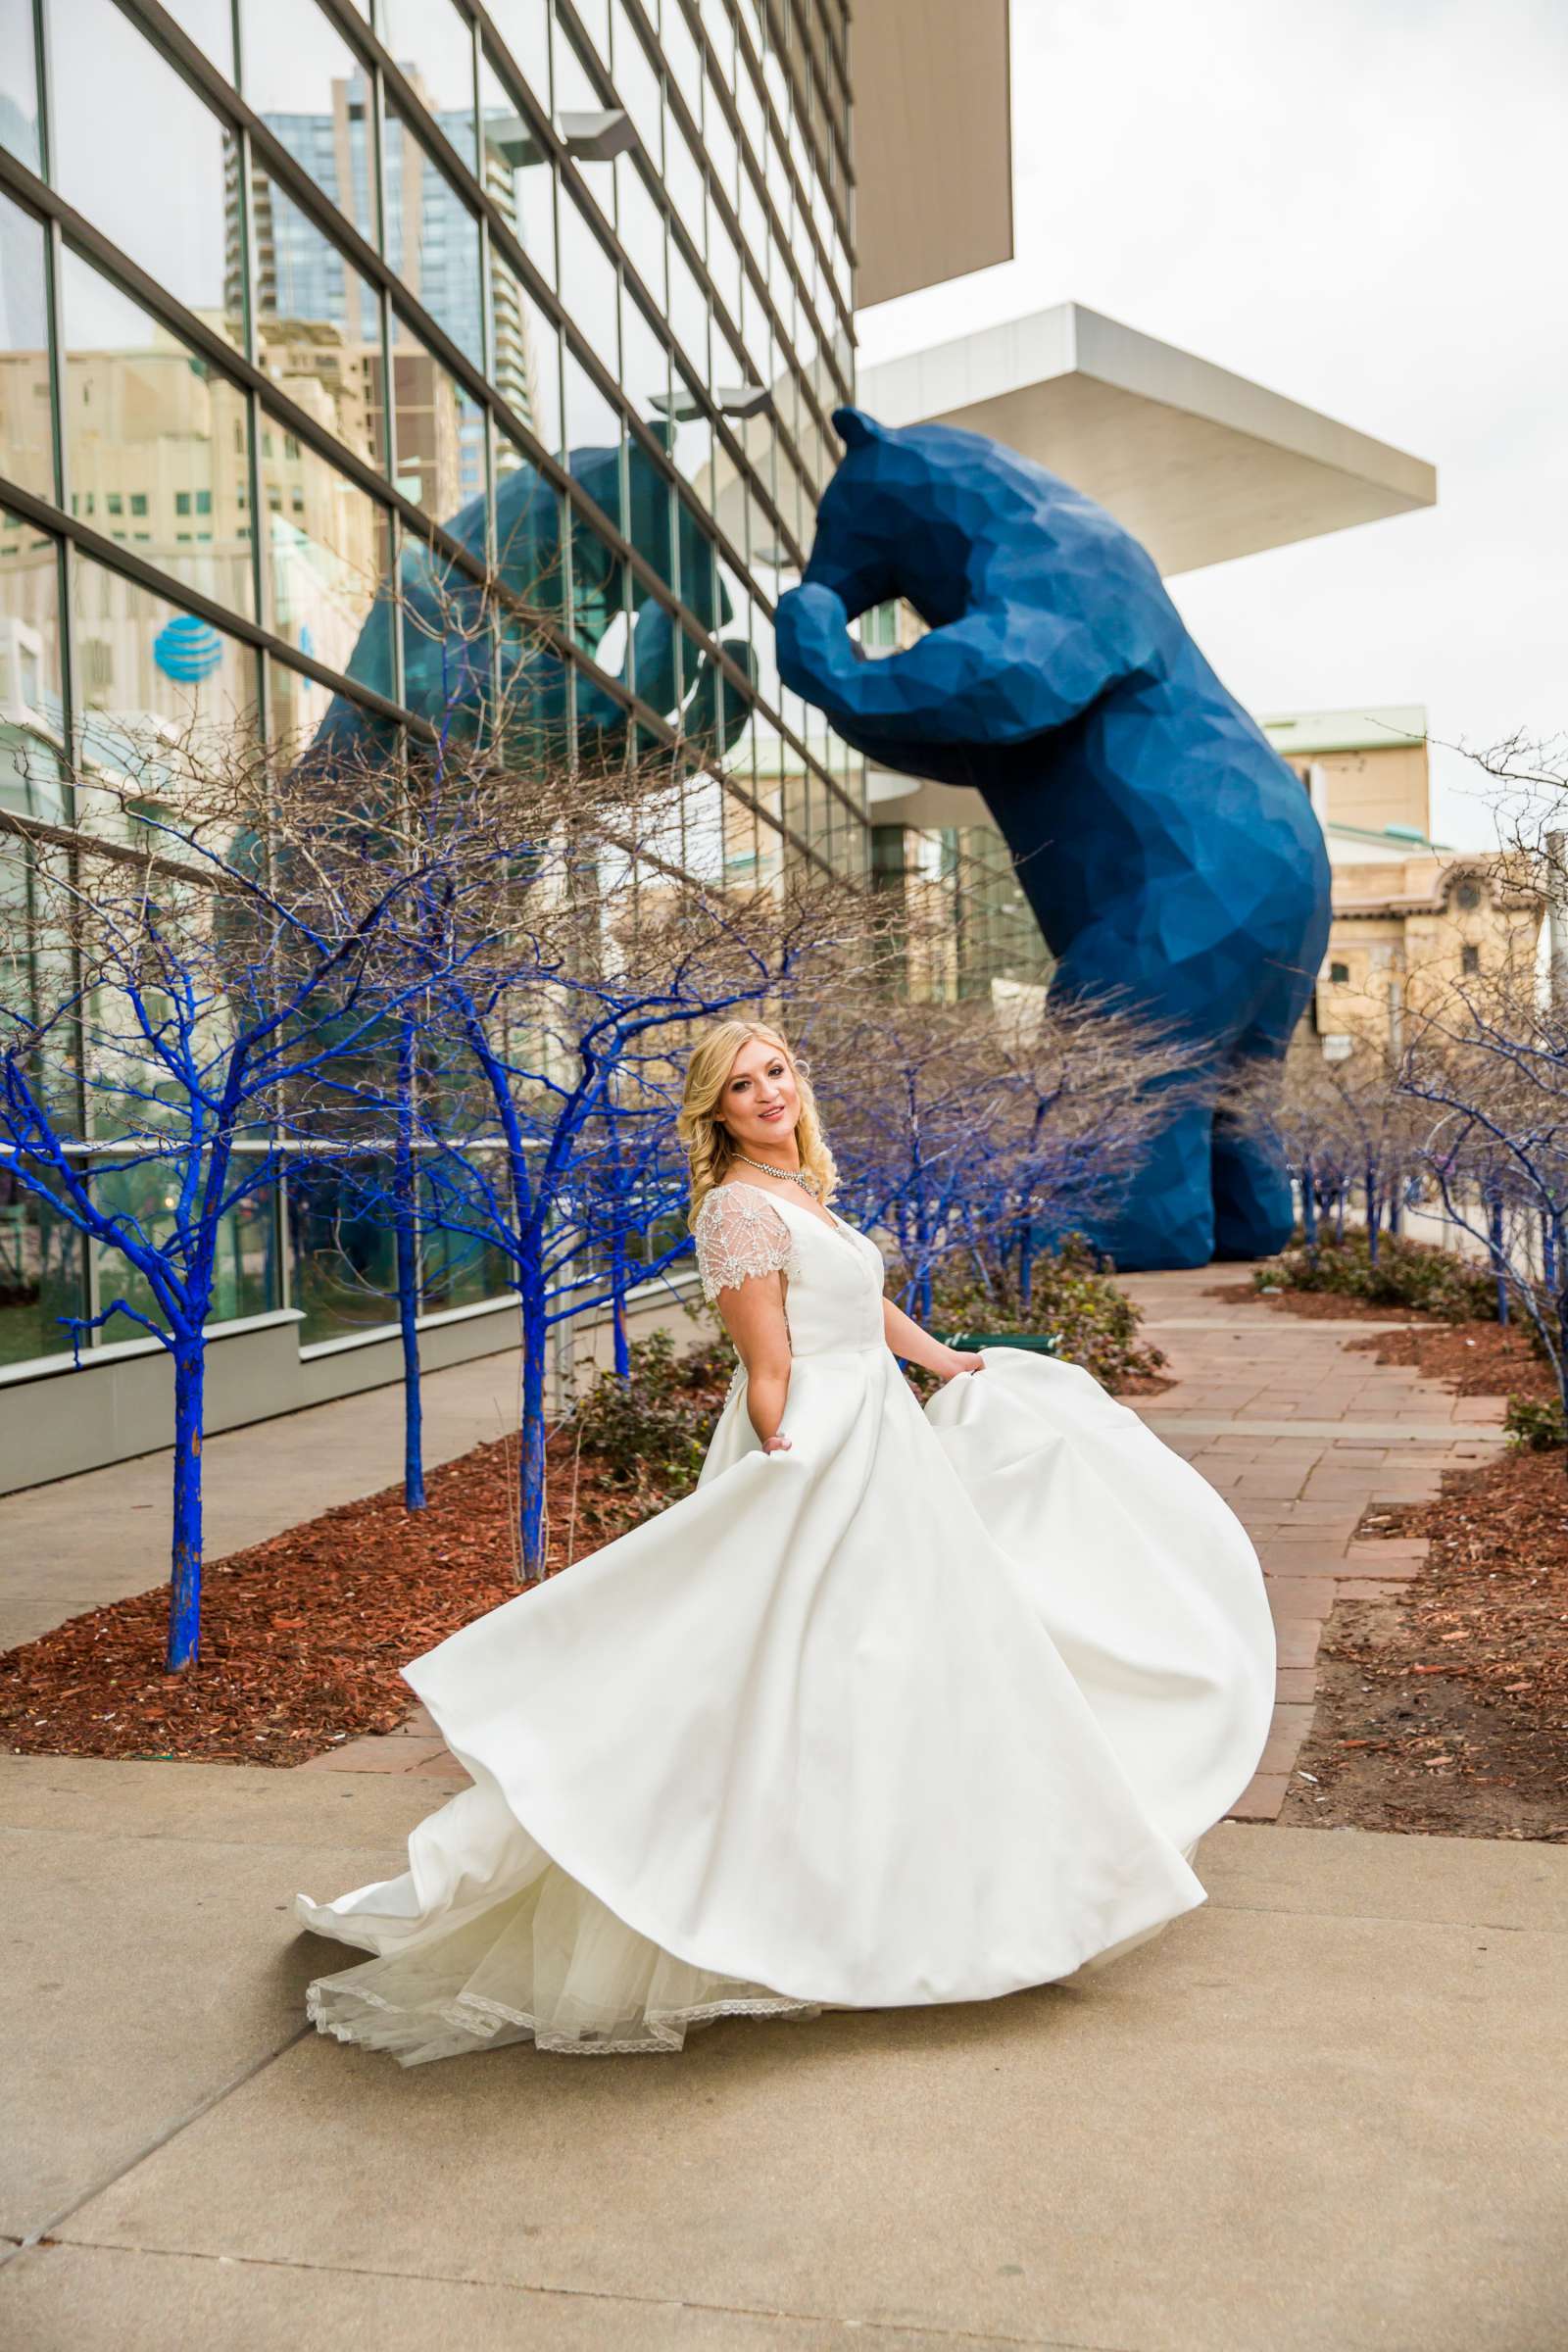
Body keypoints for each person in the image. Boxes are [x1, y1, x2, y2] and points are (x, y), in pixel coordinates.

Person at [294, 1020, 1275, 2063]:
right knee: (795, 1668)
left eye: (777, 1073)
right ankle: (779, 1900)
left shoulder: (803, 1193)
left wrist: (945, 1361)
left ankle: (882, 1894)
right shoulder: (735, 1212)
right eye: (741, 1084)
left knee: (886, 1662)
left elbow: (860, 1302)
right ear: (714, 1111)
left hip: (882, 1439)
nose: (766, 1093)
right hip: (825, 1443)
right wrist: (782, 1456)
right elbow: (769, 1359)